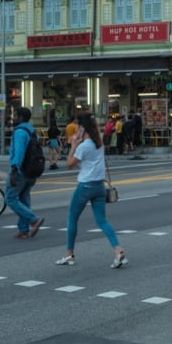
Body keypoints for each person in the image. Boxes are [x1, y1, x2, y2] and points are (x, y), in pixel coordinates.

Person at [56, 111, 127, 268]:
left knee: (72, 218)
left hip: (85, 186)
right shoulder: (98, 143)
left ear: (82, 128)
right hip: (99, 186)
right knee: (102, 221)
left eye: (78, 128)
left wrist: (73, 145)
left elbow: (69, 164)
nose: (76, 130)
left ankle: (69, 254)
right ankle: (118, 249)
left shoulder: (84, 146)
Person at [6, 107, 45, 239]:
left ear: (21, 117)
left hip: (20, 171)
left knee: (10, 198)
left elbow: (19, 152)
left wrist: (14, 170)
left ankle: (33, 220)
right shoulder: (32, 130)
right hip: (31, 170)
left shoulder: (20, 132)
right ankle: (23, 230)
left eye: (15, 115)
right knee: (23, 198)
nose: (14, 118)